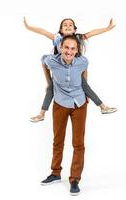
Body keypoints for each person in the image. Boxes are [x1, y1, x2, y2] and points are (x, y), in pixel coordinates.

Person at [23, 17, 117, 122]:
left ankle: (103, 107)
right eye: (65, 25)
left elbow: (93, 32)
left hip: (75, 70)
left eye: (70, 24)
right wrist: (28, 26)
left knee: (85, 86)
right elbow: (43, 31)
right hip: (60, 70)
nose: (68, 26)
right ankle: (41, 114)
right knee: (50, 89)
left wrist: (107, 28)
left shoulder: (78, 38)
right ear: (61, 30)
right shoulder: (57, 38)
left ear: (75, 30)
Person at [40, 35, 89, 195]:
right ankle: (55, 173)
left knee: (78, 144)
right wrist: (49, 83)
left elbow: (84, 76)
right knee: (58, 140)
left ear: (77, 50)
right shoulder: (51, 61)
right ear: (61, 48)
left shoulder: (83, 62)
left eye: (73, 49)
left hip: (79, 104)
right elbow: (42, 60)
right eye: (66, 48)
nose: (69, 51)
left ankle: (74, 179)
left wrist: (87, 94)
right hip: (60, 103)